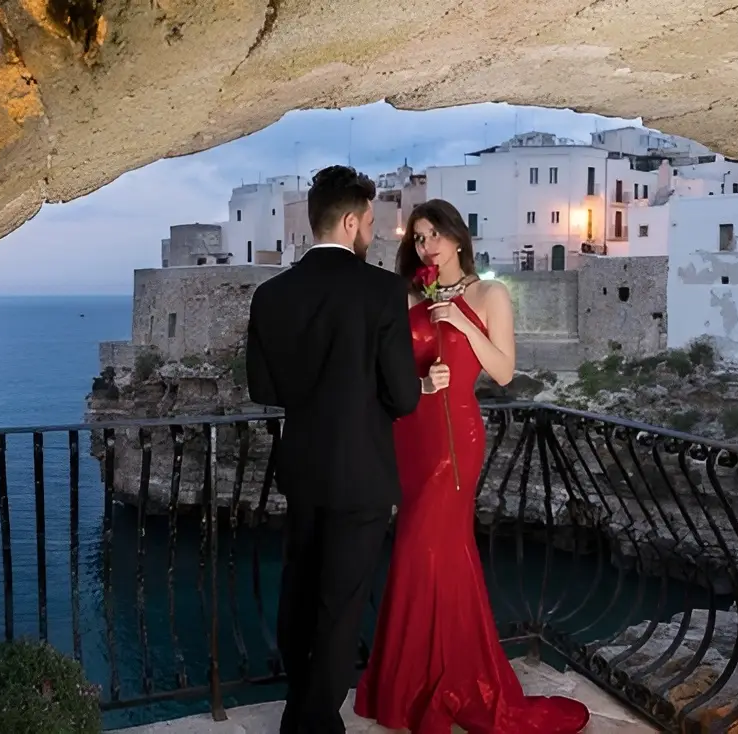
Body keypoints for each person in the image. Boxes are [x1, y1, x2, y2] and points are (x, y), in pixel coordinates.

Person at [353, 199, 591, 733]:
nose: (426, 245)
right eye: (417, 238)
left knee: (428, 548)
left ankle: (443, 681)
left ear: (458, 238)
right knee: (425, 554)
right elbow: (380, 370)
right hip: (409, 435)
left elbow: (504, 371)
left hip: (453, 441)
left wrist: (461, 316)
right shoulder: (408, 294)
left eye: (434, 234)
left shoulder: (490, 293)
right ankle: (407, 681)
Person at [246, 165, 422, 734]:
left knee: (299, 589)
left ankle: (303, 705)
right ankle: (314, 723)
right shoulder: (381, 291)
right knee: (341, 604)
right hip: (361, 472)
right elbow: (403, 395)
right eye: (371, 221)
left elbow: (262, 389)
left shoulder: (271, 295)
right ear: (350, 222)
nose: (373, 231)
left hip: (301, 468)